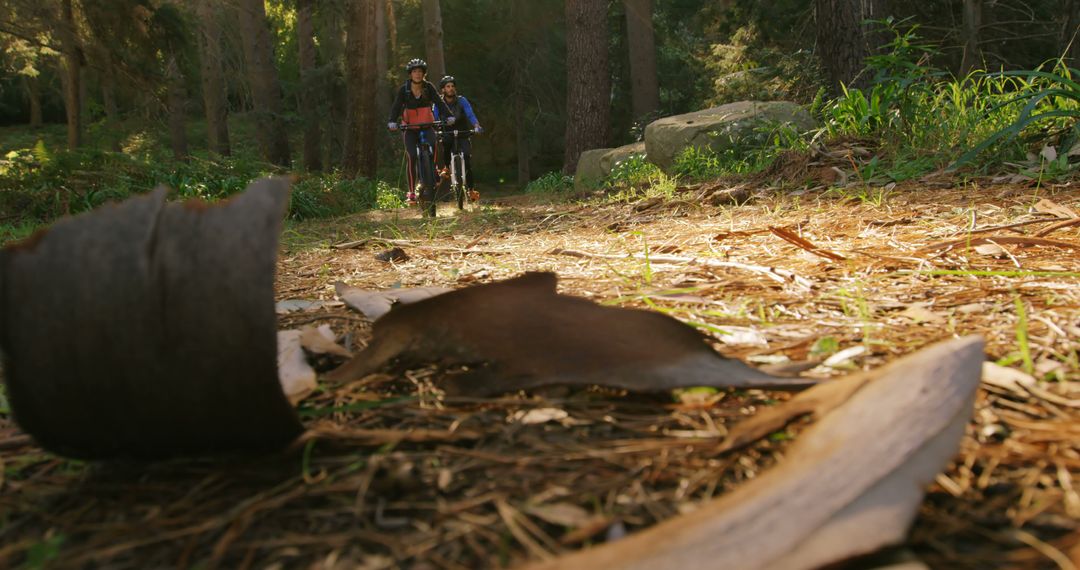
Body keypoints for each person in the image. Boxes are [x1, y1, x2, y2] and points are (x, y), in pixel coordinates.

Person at [387, 58, 454, 212]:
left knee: (434, 142)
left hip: (426, 124)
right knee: (411, 156)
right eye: (414, 72)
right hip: (409, 128)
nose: (417, 74)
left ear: (424, 73)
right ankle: (411, 191)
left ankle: (436, 170)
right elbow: (396, 106)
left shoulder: (428, 87)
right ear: (410, 74)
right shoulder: (404, 89)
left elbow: (439, 102)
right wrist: (392, 121)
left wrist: (449, 116)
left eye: (420, 71)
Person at [434, 75, 482, 202]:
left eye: (452, 86)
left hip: (463, 133)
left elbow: (470, 114)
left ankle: (471, 190)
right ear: (443, 90)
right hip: (447, 133)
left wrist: (476, 125)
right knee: (445, 145)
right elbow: (435, 118)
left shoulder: (462, 100)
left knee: (466, 158)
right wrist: (436, 128)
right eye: (448, 86)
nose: (451, 89)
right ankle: (447, 167)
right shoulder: (438, 103)